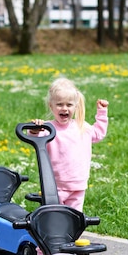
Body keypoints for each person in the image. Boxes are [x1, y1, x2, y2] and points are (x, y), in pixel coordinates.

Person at [31, 77, 108, 212]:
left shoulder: (82, 127)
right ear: (51, 105)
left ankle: (72, 234)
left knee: (73, 219)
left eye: (69, 105)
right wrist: (34, 128)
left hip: (78, 185)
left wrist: (102, 112)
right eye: (59, 104)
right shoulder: (48, 128)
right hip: (54, 185)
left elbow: (98, 134)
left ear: (76, 106)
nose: (64, 108)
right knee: (54, 216)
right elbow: (34, 137)